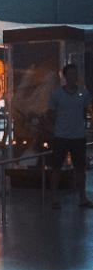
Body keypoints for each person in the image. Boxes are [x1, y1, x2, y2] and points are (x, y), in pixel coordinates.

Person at [47, 63, 92, 209]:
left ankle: (82, 196)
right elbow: (51, 114)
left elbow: (84, 111)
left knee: (80, 167)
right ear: (65, 76)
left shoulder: (83, 93)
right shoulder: (56, 94)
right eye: (71, 74)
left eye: (75, 74)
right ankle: (54, 196)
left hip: (78, 136)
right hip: (61, 136)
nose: (74, 77)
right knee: (57, 167)